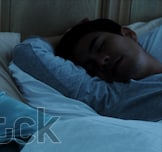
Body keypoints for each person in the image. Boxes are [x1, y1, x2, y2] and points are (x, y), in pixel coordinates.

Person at [13, 18, 162, 121]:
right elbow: (27, 51)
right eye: (91, 68)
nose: (101, 61)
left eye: (100, 46)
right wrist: (65, 37)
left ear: (129, 34)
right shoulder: (113, 99)